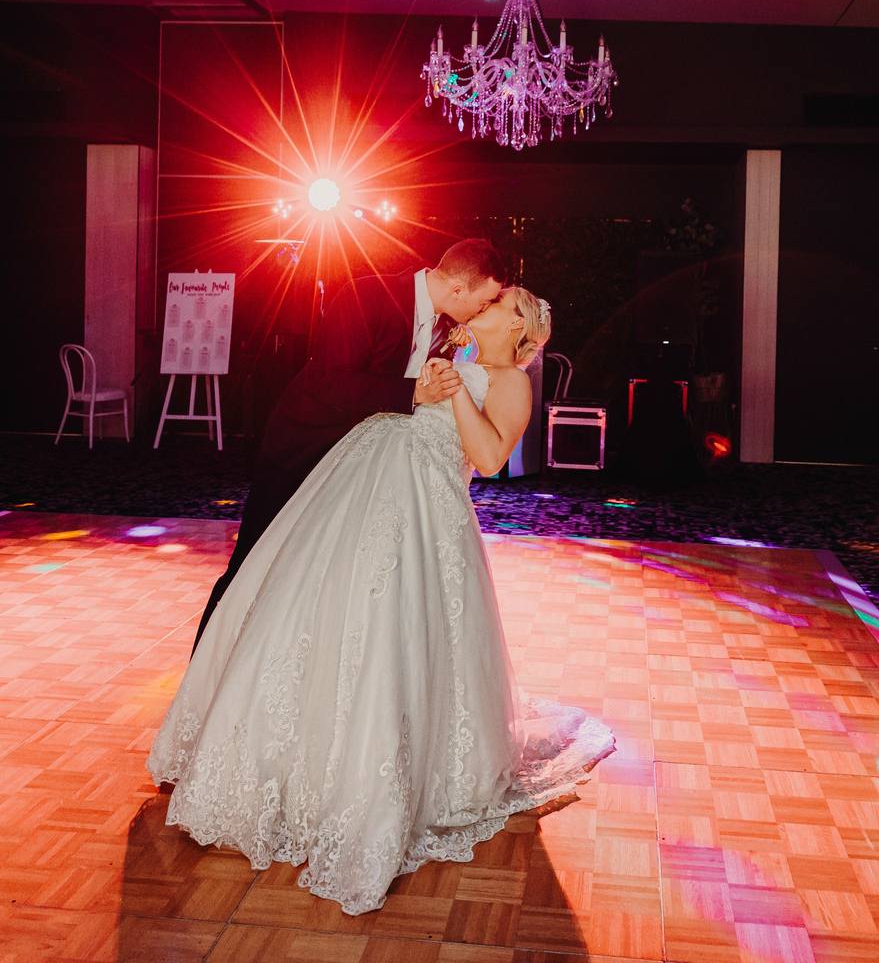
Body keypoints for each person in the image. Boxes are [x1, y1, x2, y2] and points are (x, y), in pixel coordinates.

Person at [147, 286, 614, 914]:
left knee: (396, 638)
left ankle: (374, 782)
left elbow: (488, 455)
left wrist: (452, 395)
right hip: (363, 493)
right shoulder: (450, 351)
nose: (487, 306)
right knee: (315, 616)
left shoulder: (512, 380)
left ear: (520, 326)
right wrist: (426, 386)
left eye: (502, 304)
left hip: (426, 516)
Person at [192, 239, 511, 644]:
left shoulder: (447, 326)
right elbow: (331, 382)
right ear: (458, 289)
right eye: (482, 301)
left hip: (359, 472)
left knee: (319, 580)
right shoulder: (368, 293)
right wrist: (413, 393)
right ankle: (204, 676)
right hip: (304, 454)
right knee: (253, 565)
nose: (482, 310)